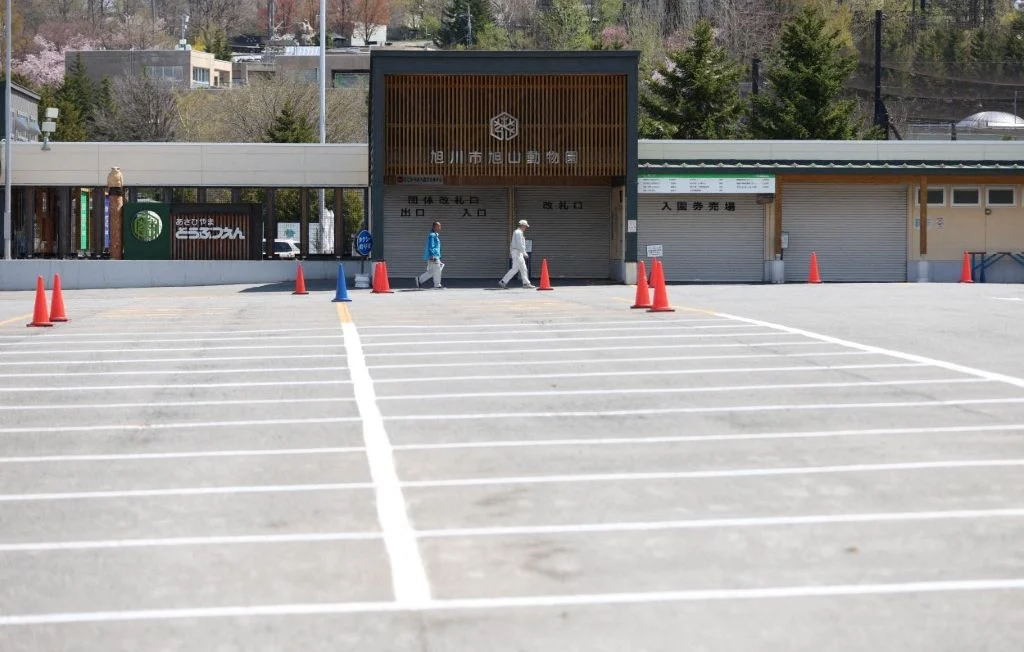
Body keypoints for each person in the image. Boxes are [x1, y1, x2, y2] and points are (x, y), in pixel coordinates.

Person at [499, 219, 534, 289]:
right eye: (525, 226)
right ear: (522, 226)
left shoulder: (518, 232)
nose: (526, 228)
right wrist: (524, 253)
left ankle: (525, 283)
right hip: (517, 252)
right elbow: (519, 244)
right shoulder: (518, 233)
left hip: (518, 252)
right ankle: (503, 281)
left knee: (522, 268)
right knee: (517, 269)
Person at [415, 221, 445, 289]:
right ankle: (437, 285)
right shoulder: (432, 235)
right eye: (439, 226)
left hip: (435, 255)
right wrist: (432, 255)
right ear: (435, 227)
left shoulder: (435, 235)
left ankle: (420, 279)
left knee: (433, 271)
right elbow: (431, 246)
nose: (440, 227)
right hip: (434, 256)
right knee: (437, 269)